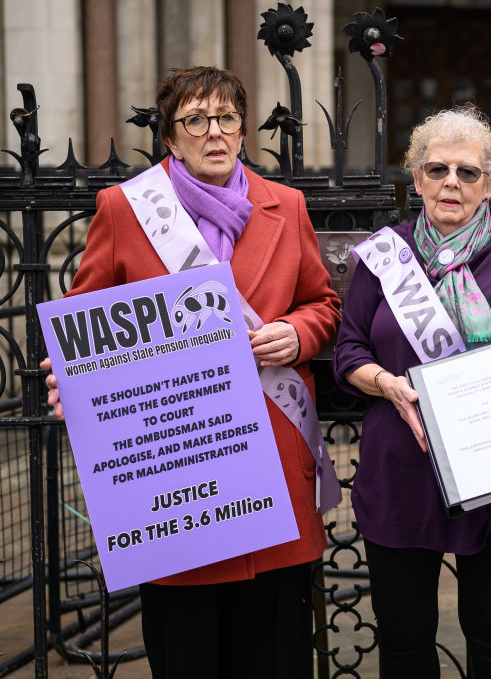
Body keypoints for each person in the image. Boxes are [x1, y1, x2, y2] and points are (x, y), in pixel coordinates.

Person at [41, 66, 341, 679]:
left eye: (227, 118)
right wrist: (75, 378)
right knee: (188, 656)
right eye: (195, 120)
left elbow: (323, 303)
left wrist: (299, 332)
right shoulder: (124, 209)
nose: (214, 132)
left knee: (275, 656)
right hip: (176, 470)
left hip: (271, 459)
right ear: (170, 137)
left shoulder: (286, 205)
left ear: (242, 129)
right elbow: (85, 319)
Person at [333, 105, 491, 679]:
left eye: (468, 172)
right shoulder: (384, 254)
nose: (451, 183)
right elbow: (349, 352)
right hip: (401, 463)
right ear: (416, 179)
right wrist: (386, 383)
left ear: (489, 185)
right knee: (404, 637)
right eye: (437, 169)